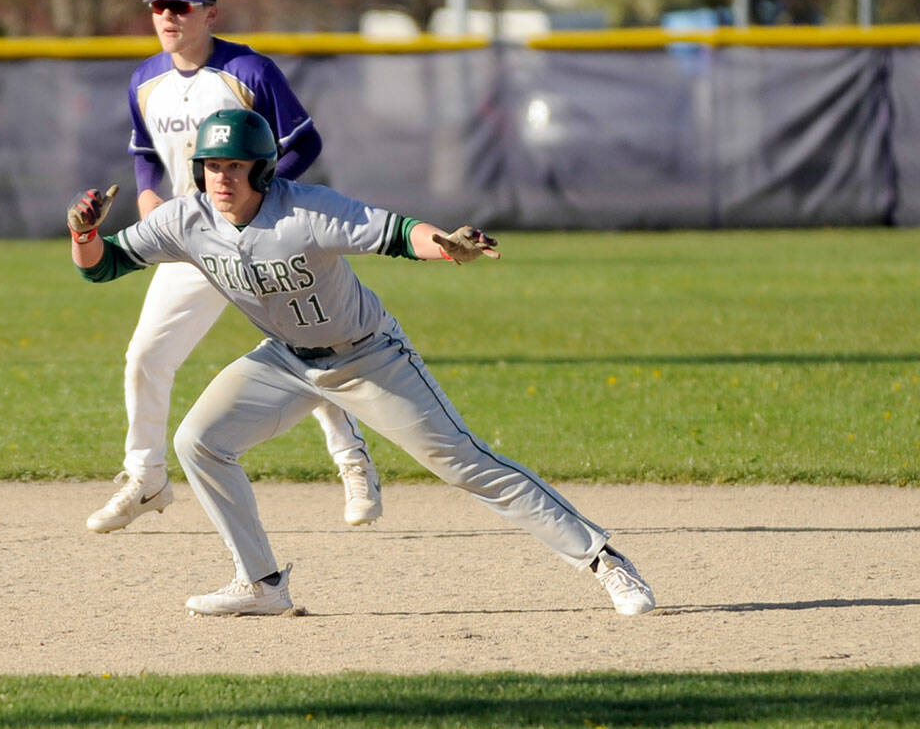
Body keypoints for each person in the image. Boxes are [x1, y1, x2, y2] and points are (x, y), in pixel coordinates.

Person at [67, 108, 656, 618]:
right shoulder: (187, 220)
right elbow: (103, 266)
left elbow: (398, 232)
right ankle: (262, 584)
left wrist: (444, 243)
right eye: (212, 165)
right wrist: (83, 234)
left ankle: (604, 560)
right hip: (285, 361)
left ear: (261, 169)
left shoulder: (306, 211)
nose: (222, 177)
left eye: (236, 165)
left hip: (368, 356)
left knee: (465, 463)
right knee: (199, 441)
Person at [84, 0, 383, 535]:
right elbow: (145, 150)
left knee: (306, 349)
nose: (167, 17)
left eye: (181, 6)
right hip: (195, 240)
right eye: (159, 7)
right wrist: (148, 196)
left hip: (265, 237)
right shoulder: (145, 78)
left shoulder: (248, 69)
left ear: (210, 12)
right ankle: (145, 478)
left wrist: (262, 195)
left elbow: (304, 141)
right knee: (146, 356)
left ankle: (353, 461)